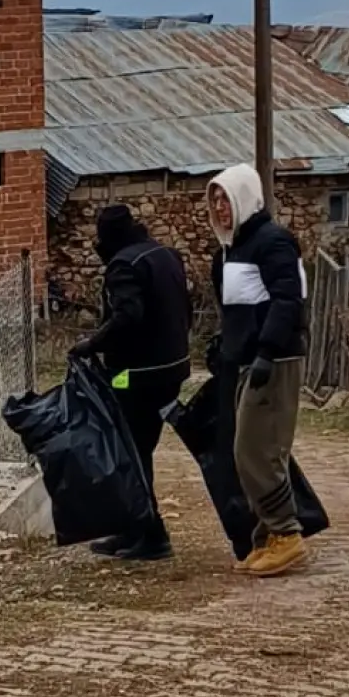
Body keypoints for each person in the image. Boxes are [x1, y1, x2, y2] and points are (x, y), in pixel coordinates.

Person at [70, 203, 192, 561]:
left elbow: (128, 317)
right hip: (172, 368)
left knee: (130, 451)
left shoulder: (124, 265)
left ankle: (150, 534)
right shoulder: (165, 254)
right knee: (138, 448)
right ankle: (131, 528)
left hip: (135, 375)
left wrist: (91, 344)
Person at [207, 163, 309, 578]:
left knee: (256, 450)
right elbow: (235, 311)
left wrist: (267, 352)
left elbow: (288, 300)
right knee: (246, 450)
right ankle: (268, 535)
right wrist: (224, 347)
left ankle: (287, 534)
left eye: (225, 198)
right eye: (214, 199)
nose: (219, 206)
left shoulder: (273, 242)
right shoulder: (233, 249)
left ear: (245, 197)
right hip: (247, 361)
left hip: (275, 361)